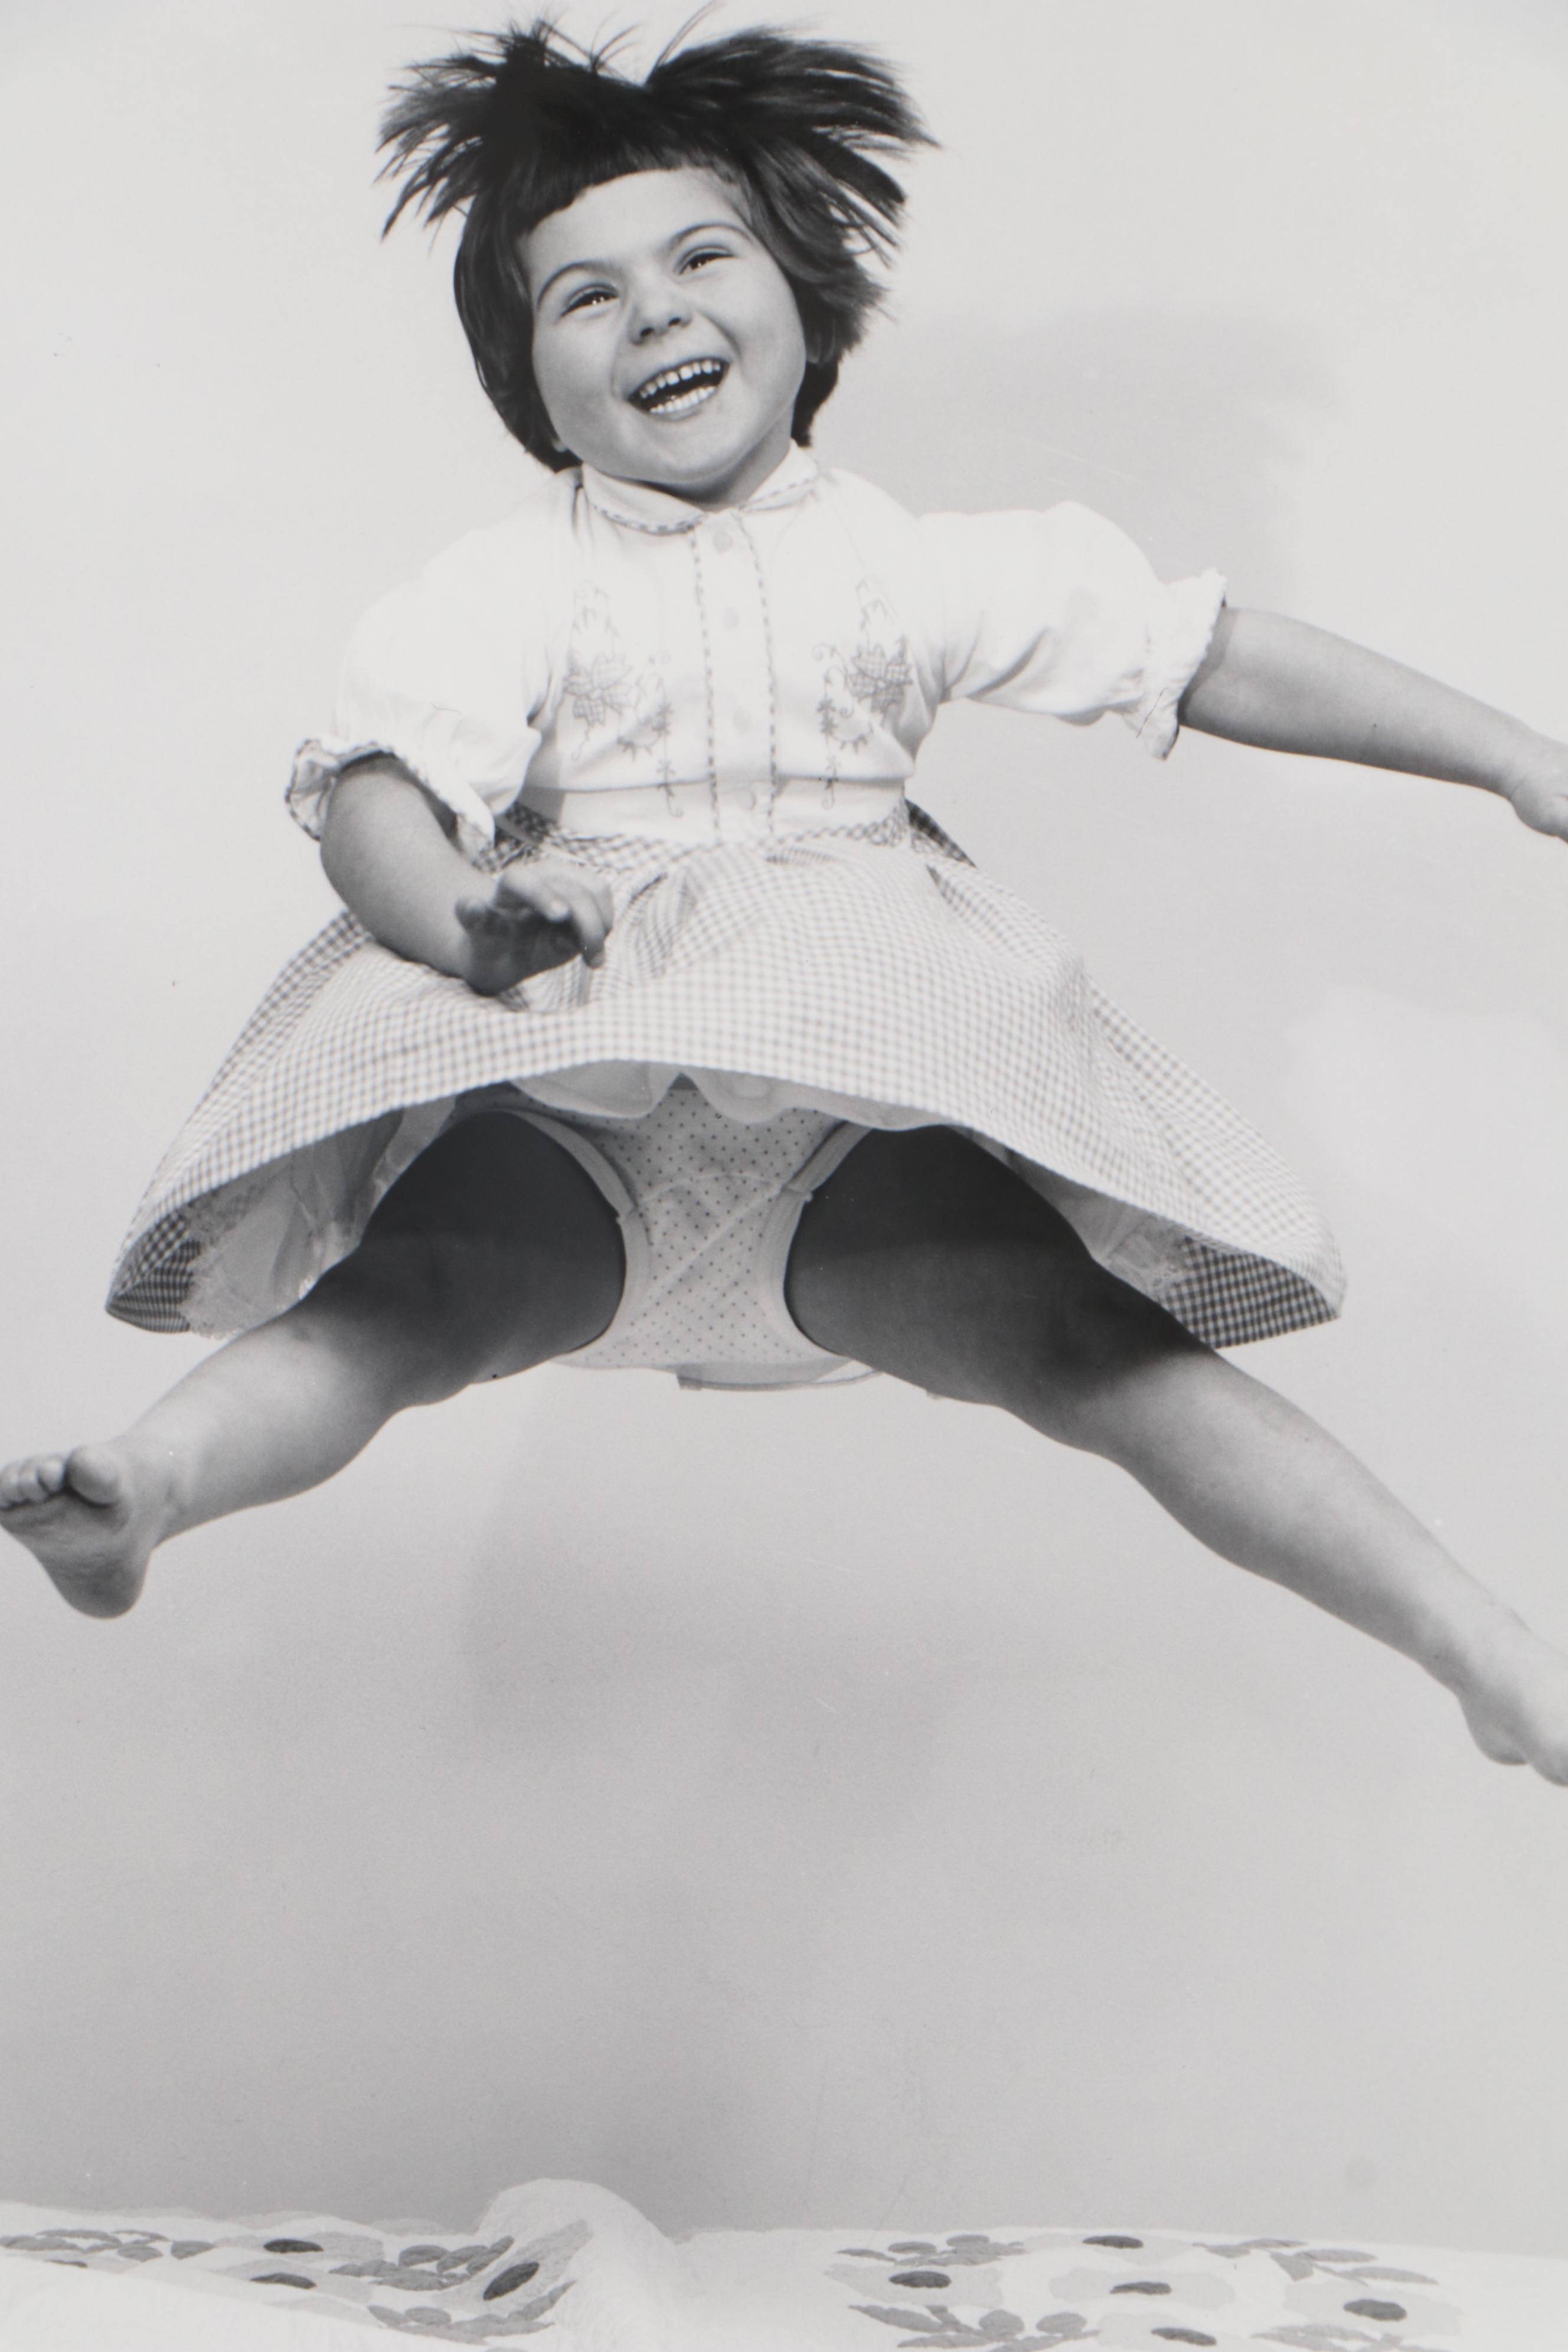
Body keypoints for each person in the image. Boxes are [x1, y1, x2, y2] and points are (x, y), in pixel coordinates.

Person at [5, 21, 1568, 1784]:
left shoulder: (911, 563)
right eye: (582, 298)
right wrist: (460, 920)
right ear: (530, 385)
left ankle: (1484, 1645)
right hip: (568, 1127)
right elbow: (371, 792)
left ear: (806, 299)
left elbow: (1205, 653)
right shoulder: (516, 585)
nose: (654, 314)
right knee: (397, 1307)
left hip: (853, 1162)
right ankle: (152, 1489)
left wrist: (1514, 753)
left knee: (1094, 1349)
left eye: (698, 259)